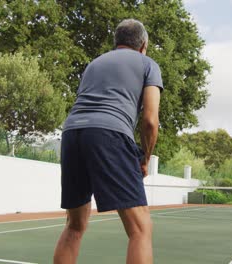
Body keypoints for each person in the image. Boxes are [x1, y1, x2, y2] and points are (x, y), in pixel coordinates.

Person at [53, 19, 163, 264]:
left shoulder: (94, 63)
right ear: (143, 45)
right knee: (140, 228)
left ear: (117, 42)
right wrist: (144, 158)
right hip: (109, 133)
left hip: (72, 133)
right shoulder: (148, 64)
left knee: (74, 225)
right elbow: (150, 121)